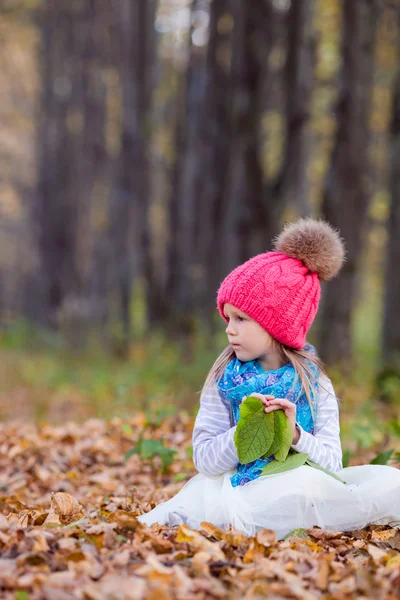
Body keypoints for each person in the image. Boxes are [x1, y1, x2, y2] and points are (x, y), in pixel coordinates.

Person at [138, 218, 400, 539]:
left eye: (241, 318)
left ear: (277, 325)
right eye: (228, 317)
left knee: (386, 484)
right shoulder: (224, 379)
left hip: (300, 486)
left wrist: (296, 436)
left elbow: (332, 464)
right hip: (236, 487)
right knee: (180, 517)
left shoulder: (313, 383)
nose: (229, 328)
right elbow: (204, 459)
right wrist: (244, 433)